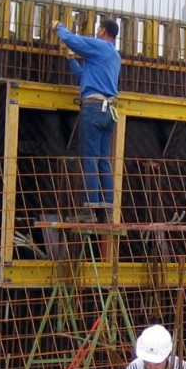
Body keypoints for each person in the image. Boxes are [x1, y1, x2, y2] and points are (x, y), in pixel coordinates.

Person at [52, 17, 121, 219]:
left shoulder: (100, 46)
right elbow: (85, 77)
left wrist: (58, 27)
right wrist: (71, 59)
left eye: (98, 28)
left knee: (90, 158)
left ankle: (90, 210)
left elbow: (75, 40)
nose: (97, 31)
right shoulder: (113, 56)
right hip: (108, 110)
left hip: (93, 107)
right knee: (102, 160)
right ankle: (106, 209)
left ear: (103, 31)